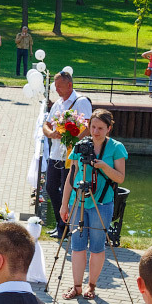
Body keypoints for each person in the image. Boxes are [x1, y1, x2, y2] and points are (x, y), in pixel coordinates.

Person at [62, 110, 126, 300]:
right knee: (77, 246)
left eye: (100, 128)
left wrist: (103, 166)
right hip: (78, 202)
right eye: (93, 127)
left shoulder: (116, 147)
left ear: (109, 129)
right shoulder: (80, 146)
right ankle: (76, 286)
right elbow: (70, 177)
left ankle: (91, 286)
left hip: (102, 203)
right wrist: (64, 204)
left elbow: (120, 178)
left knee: (97, 247)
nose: (95, 132)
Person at [41, 70, 92, 240]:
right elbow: (46, 124)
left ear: (70, 85)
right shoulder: (57, 103)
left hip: (71, 156)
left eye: (59, 86)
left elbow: (88, 125)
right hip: (56, 153)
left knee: (67, 190)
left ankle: (69, 227)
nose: (57, 89)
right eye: (55, 86)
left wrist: (73, 139)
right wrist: (51, 134)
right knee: (50, 187)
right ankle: (60, 224)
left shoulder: (81, 101)